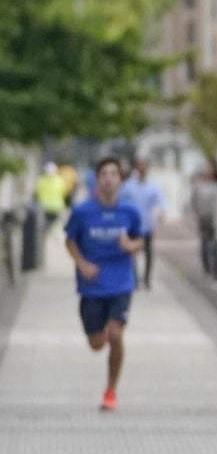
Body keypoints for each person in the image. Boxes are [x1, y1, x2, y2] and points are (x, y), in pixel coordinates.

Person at [65, 157, 145, 411]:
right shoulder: (82, 211)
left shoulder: (129, 211)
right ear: (98, 180)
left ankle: (110, 391)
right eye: (104, 174)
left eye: (114, 174)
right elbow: (70, 240)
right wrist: (82, 264)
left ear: (120, 180)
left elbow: (140, 240)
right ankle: (103, 334)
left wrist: (130, 246)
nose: (109, 178)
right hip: (92, 286)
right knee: (97, 343)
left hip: (121, 283)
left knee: (116, 334)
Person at [119, 158, 166, 290]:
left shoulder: (153, 186)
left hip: (147, 225)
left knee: (149, 254)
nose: (142, 169)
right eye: (139, 166)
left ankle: (146, 279)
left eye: (144, 166)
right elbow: (120, 200)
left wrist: (162, 212)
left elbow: (161, 200)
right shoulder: (129, 185)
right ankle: (135, 280)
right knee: (133, 252)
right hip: (132, 226)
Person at [190, 159, 217, 285]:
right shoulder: (198, 185)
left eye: (210, 168)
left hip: (216, 220)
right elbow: (193, 203)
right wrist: (193, 218)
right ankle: (207, 268)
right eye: (206, 168)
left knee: (215, 248)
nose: (208, 171)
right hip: (203, 220)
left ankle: (216, 276)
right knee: (204, 247)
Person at [35, 163, 67, 233]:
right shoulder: (60, 180)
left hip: (44, 207)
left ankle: (47, 239)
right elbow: (64, 193)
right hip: (56, 207)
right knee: (55, 227)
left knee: (45, 228)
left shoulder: (41, 181)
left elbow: (37, 193)